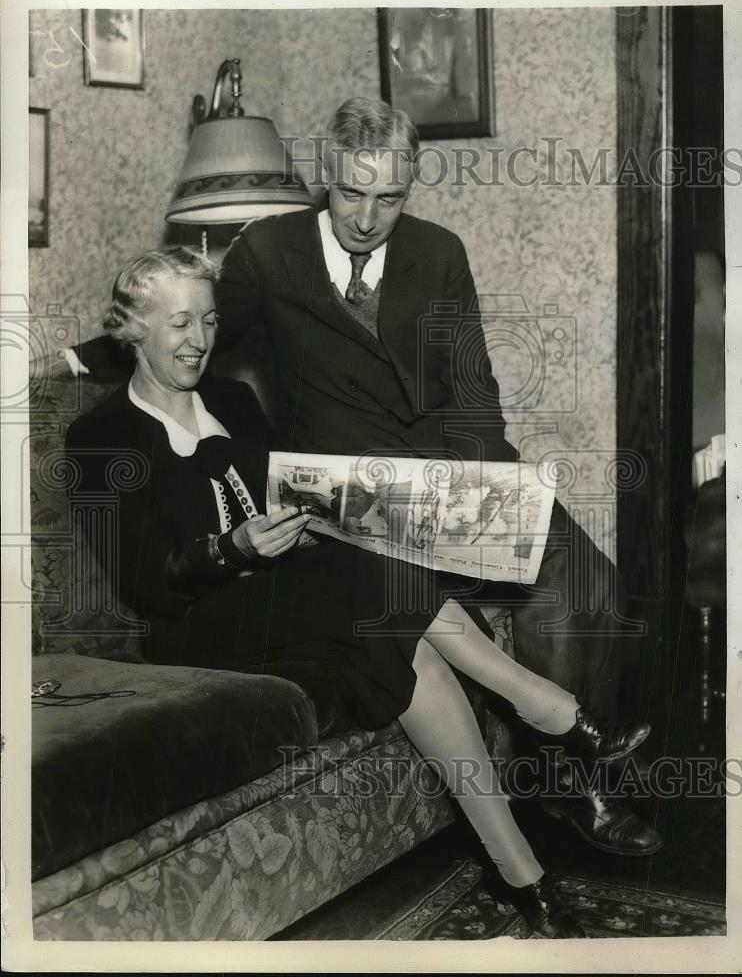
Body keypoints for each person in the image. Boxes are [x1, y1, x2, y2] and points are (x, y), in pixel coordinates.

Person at [66, 247, 653, 938]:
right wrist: (234, 548)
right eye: (178, 324)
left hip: (293, 598)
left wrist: (321, 520)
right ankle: (554, 712)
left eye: (209, 321)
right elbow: (146, 586)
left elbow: (284, 492)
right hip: (198, 625)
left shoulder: (232, 401)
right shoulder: (99, 437)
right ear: (134, 329)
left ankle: (524, 875)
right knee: (378, 579)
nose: (198, 341)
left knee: (410, 647)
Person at [216, 96, 661, 857]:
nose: (365, 216)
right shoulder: (267, 252)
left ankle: (556, 776)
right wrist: (101, 353)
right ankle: (578, 784)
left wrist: (486, 498)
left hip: (446, 481)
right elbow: (196, 335)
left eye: (388, 198)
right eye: (351, 192)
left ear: (411, 184)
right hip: (349, 505)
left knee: (586, 575)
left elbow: (474, 389)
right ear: (326, 173)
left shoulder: (438, 251)